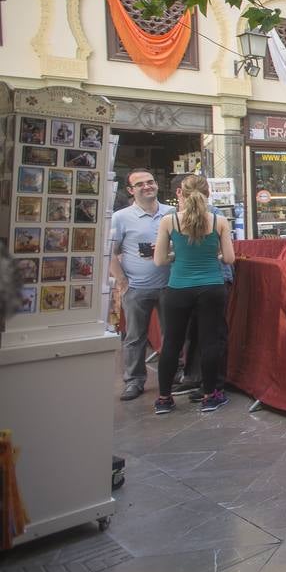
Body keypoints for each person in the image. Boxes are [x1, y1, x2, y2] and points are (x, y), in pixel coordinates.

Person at [152, 174, 235, 415]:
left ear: (181, 193)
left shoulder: (170, 221)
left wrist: (176, 256)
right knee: (210, 342)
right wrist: (214, 256)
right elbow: (229, 258)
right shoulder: (219, 220)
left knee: (172, 344)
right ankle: (211, 396)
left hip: (178, 288)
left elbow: (159, 260)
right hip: (212, 287)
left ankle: (164, 399)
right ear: (208, 193)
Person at [108, 169, 174, 401]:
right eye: (140, 184)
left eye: (151, 182)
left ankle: (172, 374)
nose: (147, 186)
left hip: (170, 285)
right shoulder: (121, 217)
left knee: (172, 334)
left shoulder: (172, 212)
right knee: (135, 337)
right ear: (130, 190)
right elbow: (111, 253)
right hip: (136, 287)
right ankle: (134, 381)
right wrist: (122, 282)